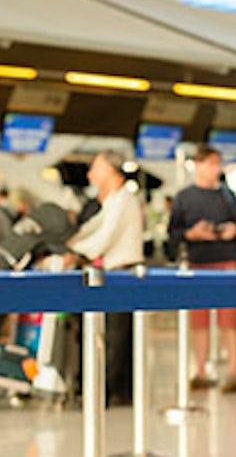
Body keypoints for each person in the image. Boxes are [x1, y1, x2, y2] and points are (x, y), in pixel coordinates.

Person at [169, 145, 236, 393]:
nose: (215, 169)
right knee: (200, 321)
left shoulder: (227, 195)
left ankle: (233, 373)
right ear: (197, 164)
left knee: (229, 320)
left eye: (218, 164)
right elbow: (173, 233)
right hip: (198, 263)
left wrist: (234, 230)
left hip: (227, 261)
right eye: (210, 164)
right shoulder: (184, 197)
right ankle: (201, 370)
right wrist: (192, 234)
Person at [67, 151, 144, 405]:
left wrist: (74, 251)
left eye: (96, 168)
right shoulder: (115, 200)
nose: (91, 174)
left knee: (114, 337)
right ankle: (119, 389)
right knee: (117, 335)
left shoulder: (124, 200)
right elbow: (94, 226)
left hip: (123, 273)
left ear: (111, 170)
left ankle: (103, 393)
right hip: (117, 272)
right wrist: (72, 240)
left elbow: (105, 236)